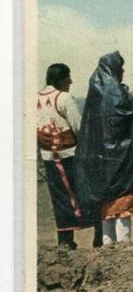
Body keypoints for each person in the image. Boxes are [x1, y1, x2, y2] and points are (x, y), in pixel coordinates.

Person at [74, 52, 133, 246]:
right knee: (123, 202)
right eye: (120, 68)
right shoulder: (116, 92)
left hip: (101, 159)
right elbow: (131, 113)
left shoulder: (95, 91)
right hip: (121, 155)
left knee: (107, 206)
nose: (123, 71)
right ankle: (123, 246)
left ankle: (108, 245)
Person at [37, 63, 102, 249]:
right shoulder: (63, 98)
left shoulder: (35, 99)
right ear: (61, 79)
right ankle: (99, 238)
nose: (71, 81)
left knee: (60, 198)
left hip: (49, 157)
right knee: (89, 193)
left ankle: (65, 242)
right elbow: (79, 127)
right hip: (71, 156)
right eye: (68, 77)